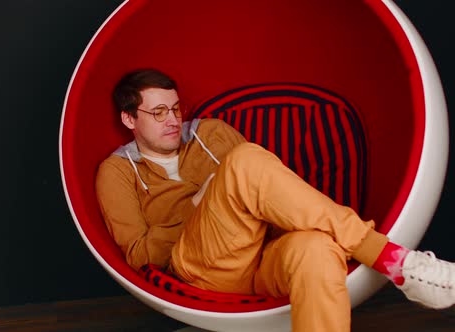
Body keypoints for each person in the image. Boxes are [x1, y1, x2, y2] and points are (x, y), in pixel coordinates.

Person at [95, 68, 455, 331]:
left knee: (315, 249)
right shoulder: (118, 172)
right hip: (203, 267)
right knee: (245, 160)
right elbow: (140, 254)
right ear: (129, 118)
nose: (172, 120)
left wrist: (229, 191)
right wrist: (199, 205)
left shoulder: (212, 132)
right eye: (158, 113)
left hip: (263, 253)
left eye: (175, 108)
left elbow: (267, 189)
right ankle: (395, 261)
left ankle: (398, 264)